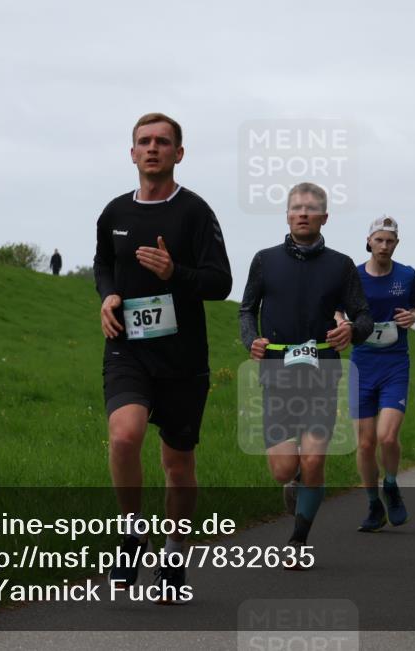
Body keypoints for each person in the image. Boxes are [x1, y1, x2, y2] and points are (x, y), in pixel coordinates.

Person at [94, 113, 232, 600]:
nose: (152, 148)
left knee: (178, 466)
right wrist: (108, 297)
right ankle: (131, 534)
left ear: (179, 153)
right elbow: (103, 265)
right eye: (143, 141)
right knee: (124, 435)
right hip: (127, 348)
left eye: (163, 142)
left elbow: (220, 282)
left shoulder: (195, 212)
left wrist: (175, 272)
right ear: (132, 153)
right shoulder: (114, 213)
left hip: (182, 358)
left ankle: (174, 553)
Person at [239, 182, 373, 567]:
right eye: (296, 207)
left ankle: (298, 542)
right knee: (284, 469)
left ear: (324, 217)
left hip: (322, 375)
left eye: (311, 208)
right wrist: (252, 340)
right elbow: (246, 310)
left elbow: (363, 316)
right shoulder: (265, 260)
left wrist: (351, 330)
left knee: (314, 460)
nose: (302, 213)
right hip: (277, 376)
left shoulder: (341, 265)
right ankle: (295, 484)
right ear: (287, 214)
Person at [342, 215, 415, 531]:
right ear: (369, 242)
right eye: (379, 240)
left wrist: (412, 317)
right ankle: (374, 505)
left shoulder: (407, 275)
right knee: (364, 444)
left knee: (387, 436)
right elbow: (337, 307)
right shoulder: (353, 276)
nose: (384, 246)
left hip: (395, 363)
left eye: (390, 241)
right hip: (362, 363)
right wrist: (340, 321)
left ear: (396, 244)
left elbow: (414, 308)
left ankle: (390, 484)